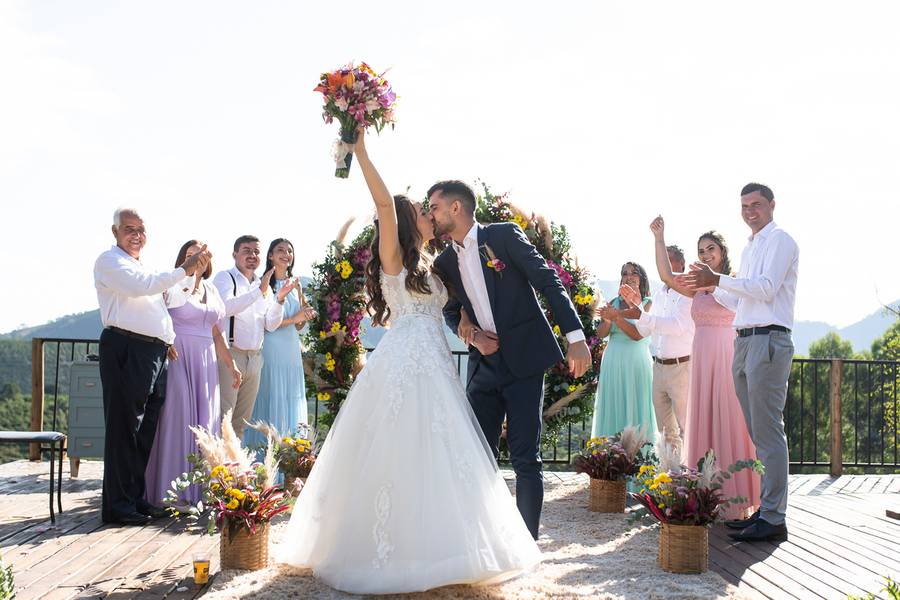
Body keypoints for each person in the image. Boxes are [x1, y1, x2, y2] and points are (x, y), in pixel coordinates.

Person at [276, 129, 541, 595]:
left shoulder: (434, 262)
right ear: (404, 220)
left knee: (439, 452)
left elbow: (457, 307)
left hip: (436, 363)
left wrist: (470, 328)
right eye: (421, 210)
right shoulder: (393, 257)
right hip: (403, 364)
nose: (429, 213)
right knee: (398, 450)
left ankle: (446, 545)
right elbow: (383, 203)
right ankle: (391, 549)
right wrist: (361, 151)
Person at [430, 181, 591, 541]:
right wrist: (472, 336)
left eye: (435, 207)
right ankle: (480, 541)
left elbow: (548, 281)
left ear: (456, 208)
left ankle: (526, 545)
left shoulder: (502, 236)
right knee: (477, 457)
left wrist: (576, 338)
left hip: (524, 361)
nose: (431, 214)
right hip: (482, 367)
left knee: (525, 457)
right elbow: (451, 311)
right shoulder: (443, 263)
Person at [678, 183, 798, 542]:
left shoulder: (781, 240)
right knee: (758, 433)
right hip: (744, 341)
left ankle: (774, 518)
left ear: (772, 205)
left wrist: (717, 279)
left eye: (756, 204)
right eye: (744, 206)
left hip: (768, 339)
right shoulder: (751, 246)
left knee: (768, 431)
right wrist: (712, 286)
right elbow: (739, 301)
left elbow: (766, 288)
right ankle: (766, 509)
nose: (749, 211)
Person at [625, 217, 759, 519]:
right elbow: (666, 275)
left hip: (725, 355)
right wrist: (659, 238)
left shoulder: (733, 280)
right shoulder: (696, 286)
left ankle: (735, 499)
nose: (705, 254)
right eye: (701, 251)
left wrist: (715, 282)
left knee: (728, 419)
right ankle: (705, 496)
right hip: (701, 358)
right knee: (704, 421)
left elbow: (741, 305)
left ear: (722, 252)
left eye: (711, 249)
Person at [94, 208, 210, 525]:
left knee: (145, 430)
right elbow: (143, 286)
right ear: (115, 231)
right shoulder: (110, 261)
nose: (137, 235)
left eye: (141, 229)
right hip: (127, 347)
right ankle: (117, 506)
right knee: (124, 429)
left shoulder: (143, 266)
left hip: (154, 352)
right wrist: (184, 268)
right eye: (129, 229)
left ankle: (134, 498)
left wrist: (192, 274)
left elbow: (172, 298)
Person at [144, 240, 242, 508]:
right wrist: (166, 343)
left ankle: (201, 492)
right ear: (182, 260)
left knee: (205, 421)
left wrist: (231, 364)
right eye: (190, 255)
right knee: (177, 419)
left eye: (199, 254)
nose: (195, 259)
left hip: (206, 362)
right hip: (177, 356)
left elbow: (217, 333)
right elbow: (156, 318)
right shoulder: (172, 287)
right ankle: (171, 492)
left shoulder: (212, 290)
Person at [212, 236, 296, 439]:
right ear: (235, 254)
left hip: (255, 358)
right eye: (246, 251)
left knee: (241, 423)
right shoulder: (225, 278)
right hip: (231, 356)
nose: (252, 255)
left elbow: (270, 324)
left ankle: (234, 460)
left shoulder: (261, 284)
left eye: (256, 252)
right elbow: (225, 308)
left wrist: (280, 299)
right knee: (223, 420)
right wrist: (258, 292)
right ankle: (214, 460)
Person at [244, 238, 317, 453]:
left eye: (289, 251)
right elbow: (265, 323)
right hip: (270, 349)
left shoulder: (296, 284)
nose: (286, 254)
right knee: (269, 395)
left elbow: (299, 325)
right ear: (270, 256)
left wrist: (304, 315)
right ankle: (262, 457)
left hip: (291, 351)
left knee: (290, 399)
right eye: (280, 250)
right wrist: (294, 319)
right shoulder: (264, 284)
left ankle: (289, 457)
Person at [623, 243, 694, 454]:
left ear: (682, 264)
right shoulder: (660, 295)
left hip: (682, 367)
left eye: (669, 261)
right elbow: (645, 330)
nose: (665, 266)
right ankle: (671, 470)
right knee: (665, 432)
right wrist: (637, 308)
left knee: (686, 427)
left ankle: (693, 470)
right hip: (659, 367)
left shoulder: (687, 294)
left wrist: (643, 316)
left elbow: (677, 326)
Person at [590, 263, 657, 442]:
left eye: (634, 273)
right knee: (614, 403)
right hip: (613, 360)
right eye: (625, 273)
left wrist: (616, 317)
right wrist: (607, 320)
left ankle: (640, 451)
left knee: (637, 403)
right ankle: (611, 452)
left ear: (642, 278)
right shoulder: (614, 302)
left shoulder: (647, 303)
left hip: (636, 362)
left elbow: (637, 335)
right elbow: (601, 334)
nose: (629, 277)